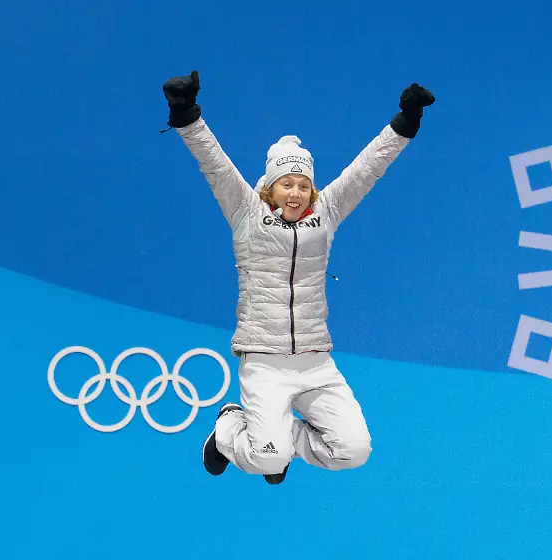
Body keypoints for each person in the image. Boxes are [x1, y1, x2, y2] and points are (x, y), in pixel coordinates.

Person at [161, 70, 435, 485]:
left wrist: (405, 122)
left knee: (353, 451)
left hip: (314, 362)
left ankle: (278, 439)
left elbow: (365, 171)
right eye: (286, 184)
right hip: (265, 362)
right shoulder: (246, 214)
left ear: (312, 190)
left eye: (303, 185)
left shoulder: (326, 215)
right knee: (268, 462)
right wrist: (186, 113)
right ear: (271, 188)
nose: (295, 193)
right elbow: (214, 164)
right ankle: (229, 431)